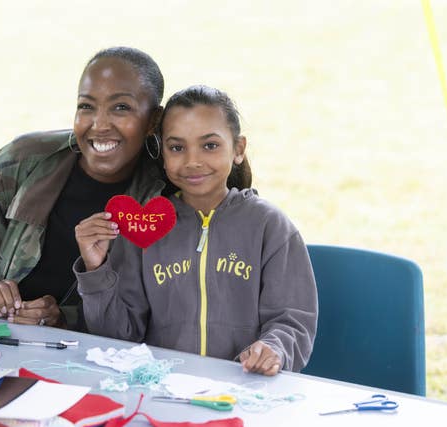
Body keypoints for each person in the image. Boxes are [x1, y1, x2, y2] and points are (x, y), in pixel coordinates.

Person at [74, 85, 318, 375]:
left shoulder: (270, 226)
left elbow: (293, 321)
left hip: (245, 392)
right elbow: (119, 337)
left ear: (238, 149)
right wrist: (96, 269)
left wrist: (274, 348)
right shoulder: (144, 230)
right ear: (162, 154)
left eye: (210, 145)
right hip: (163, 392)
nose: (192, 161)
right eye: (177, 148)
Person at [0, 47, 167, 330]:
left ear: (153, 121)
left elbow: (154, 311)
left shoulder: (164, 197)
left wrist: (65, 319)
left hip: (90, 360)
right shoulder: (24, 160)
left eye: (121, 108)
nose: (99, 125)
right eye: (86, 106)